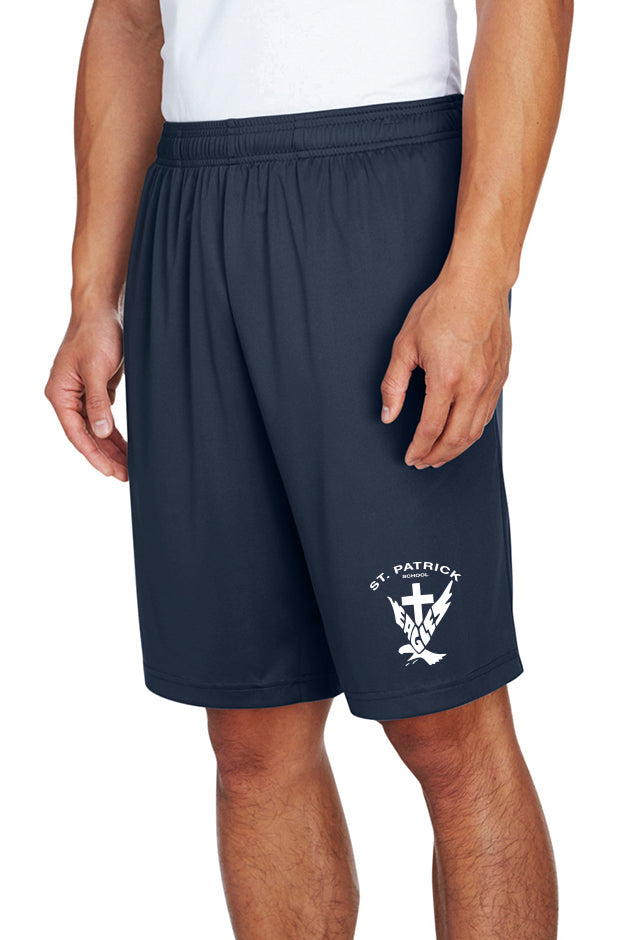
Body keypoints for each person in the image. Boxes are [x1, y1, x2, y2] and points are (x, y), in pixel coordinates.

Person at [45, 0, 573, 936]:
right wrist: (94, 295)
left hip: (381, 195)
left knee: (444, 724)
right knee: (252, 733)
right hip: (190, 212)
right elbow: (127, 20)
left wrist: (481, 274)